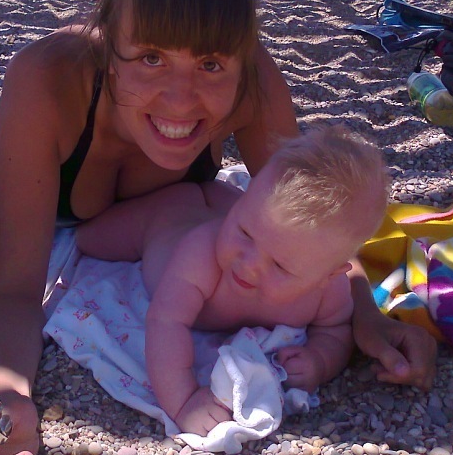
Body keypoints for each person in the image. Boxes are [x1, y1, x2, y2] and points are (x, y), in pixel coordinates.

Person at [0, 0, 436, 455]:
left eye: (211, 64)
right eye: (151, 58)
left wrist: (367, 319)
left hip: (180, 226)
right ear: (109, 47)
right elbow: (10, 288)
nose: (181, 99)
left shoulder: (252, 79)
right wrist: (12, 402)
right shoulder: (47, 83)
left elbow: (311, 221)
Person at [76, 126, 389, 435]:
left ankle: (221, 202)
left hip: (224, 209)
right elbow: (166, 321)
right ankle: (209, 195)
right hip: (165, 221)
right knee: (86, 239)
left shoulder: (329, 290)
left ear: (329, 274)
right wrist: (184, 402)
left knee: (226, 207)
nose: (249, 265)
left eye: (279, 265)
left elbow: (335, 329)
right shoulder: (201, 255)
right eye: (244, 232)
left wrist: (319, 361)